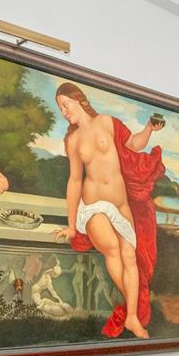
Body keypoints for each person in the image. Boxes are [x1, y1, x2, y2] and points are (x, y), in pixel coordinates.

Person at [51, 81, 164, 339]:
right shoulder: (73, 139)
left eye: (65, 105)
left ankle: (132, 317)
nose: (64, 111)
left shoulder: (107, 122)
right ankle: (134, 310)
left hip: (121, 204)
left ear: (78, 99)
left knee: (129, 256)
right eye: (60, 108)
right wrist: (71, 225)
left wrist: (149, 129)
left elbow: (134, 144)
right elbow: (75, 180)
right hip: (93, 206)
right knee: (112, 247)